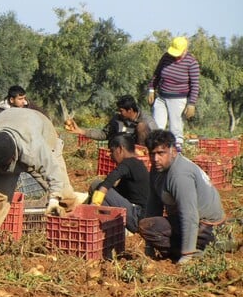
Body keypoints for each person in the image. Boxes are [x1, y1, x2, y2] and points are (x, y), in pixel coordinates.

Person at [0, 108, 88, 245]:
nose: (0, 170)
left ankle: (70, 236)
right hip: (12, 122)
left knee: (64, 196)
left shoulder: (34, 148)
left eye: (3, 166)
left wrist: (54, 199)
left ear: (13, 156)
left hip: (43, 133)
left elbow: (53, 172)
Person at [139, 130, 225, 264]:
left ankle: (195, 251)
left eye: (161, 153)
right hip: (187, 221)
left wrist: (186, 255)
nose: (155, 159)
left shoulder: (179, 174)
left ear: (173, 151)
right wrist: (149, 246)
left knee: (148, 227)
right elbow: (153, 206)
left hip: (206, 227)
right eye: (152, 154)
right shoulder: (157, 170)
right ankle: (193, 248)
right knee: (147, 225)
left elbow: (189, 214)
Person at [89, 133, 149, 234]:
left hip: (136, 216)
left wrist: (93, 203)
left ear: (120, 149)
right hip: (141, 215)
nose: (110, 155)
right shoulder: (136, 164)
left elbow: (109, 181)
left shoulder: (128, 163)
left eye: (112, 151)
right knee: (104, 194)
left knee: (97, 184)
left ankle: (92, 217)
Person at [147, 36, 200, 150]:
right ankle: (157, 151)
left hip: (178, 99)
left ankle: (176, 153)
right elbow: (157, 74)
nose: (175, 55)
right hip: (161, 97)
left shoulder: (191, 63)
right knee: (156, 127)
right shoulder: (166, 57)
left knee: (175, 129)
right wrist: (151, 89)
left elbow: (195, 85)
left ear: (185, 50)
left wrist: (191, 104)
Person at [66, 94, 157, 146]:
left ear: (130, 110)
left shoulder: (148, 121)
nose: (119, 113)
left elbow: (156, 140)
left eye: (121, 111)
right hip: (121, 152)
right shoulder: (117, 119)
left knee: (141, 127)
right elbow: (104, 134)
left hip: (139, 154)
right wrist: (81, 131)